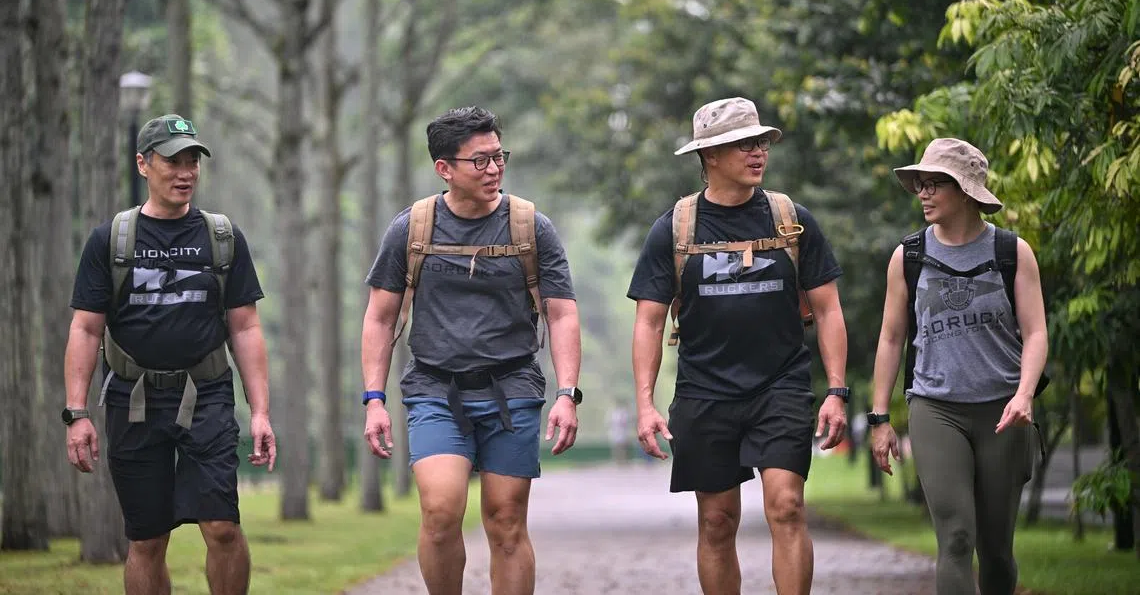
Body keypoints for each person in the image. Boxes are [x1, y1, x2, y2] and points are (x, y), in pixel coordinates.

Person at [628, 96, 850, 595]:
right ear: (709, 156)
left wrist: (837, 390)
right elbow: (648, 322)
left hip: (781, 385)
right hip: (705, 391)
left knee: (787, 506)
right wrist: (644, 405)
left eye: (760, 142)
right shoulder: (675, 228)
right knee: (717, 521)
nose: (758, 153)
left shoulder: (791, 219)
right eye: (743, 144)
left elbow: (830, 309)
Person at [360, 106, 582, 595]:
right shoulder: (411, 229)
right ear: (445, 168)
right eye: (479, 161)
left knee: (506, 521)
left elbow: (561, 313)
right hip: (436, 389)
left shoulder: (530, 227)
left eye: (499, 156)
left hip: (513, 387)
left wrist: (568, 392)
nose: (494, 169)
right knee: (440, 512)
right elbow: (380, 317)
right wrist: (373, 399)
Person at [64, 113, 276, 595]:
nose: (185, 173)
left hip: (208, 396)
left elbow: (244, 326)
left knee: (222, 526)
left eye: (192, 162)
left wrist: (260, 411)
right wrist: (76, 411)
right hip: (132, 399)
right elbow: (85, 327)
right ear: (143, 164)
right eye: (172, 161)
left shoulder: (222, 238)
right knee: (147, 538)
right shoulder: (112, 240)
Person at [868, 137, 1047, 595]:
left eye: (934, 185)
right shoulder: (907, 257)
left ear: (965, 191)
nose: (923, 194)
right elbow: (891, 339)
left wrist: (1024, 394)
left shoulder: (1012, 252)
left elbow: (1037, 333)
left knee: (996, 549)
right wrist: (880, 419)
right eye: (920, 185)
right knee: (956, 538)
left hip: (1003, 412)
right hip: (936, 408)